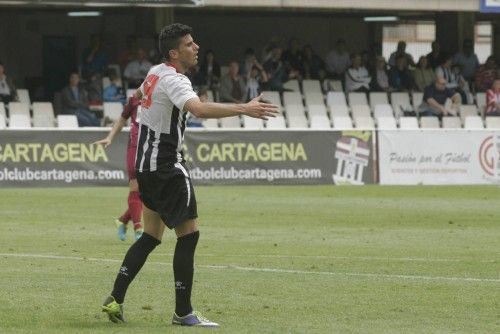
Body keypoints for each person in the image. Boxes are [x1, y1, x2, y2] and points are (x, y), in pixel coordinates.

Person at [100, 23, 278, 327]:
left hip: (146, 169)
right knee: (189, 235)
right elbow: (198, 110)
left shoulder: (155, 72)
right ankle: (183, 312)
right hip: (168, 167)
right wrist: (243, 109)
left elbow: (140, 94)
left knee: (151, 238)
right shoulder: (174, 79)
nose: (196, 47)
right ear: (174, 52)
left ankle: (115, 298)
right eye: (189, 44)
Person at [94, 96, 144, 241]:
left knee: (150, 194)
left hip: (153, 148)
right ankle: (138, 229)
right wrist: (110, 137)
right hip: (135, 146)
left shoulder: (161, 97)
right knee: (135, 188)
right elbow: (122, 119)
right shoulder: (135, 99)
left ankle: (122, 220)